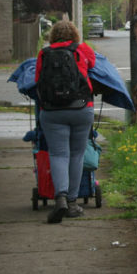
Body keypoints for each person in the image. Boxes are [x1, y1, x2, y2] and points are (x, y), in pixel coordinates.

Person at [35, 20, 95, 224]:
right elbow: (93, 65)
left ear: (53, 36)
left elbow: (38, 79)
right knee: (77, 155)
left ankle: (59, 197)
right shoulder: (82, 49)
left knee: (58, 154)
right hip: (81, 109)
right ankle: (72, 203)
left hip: (52, 111)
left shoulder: (44, 53)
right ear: (75, 34)